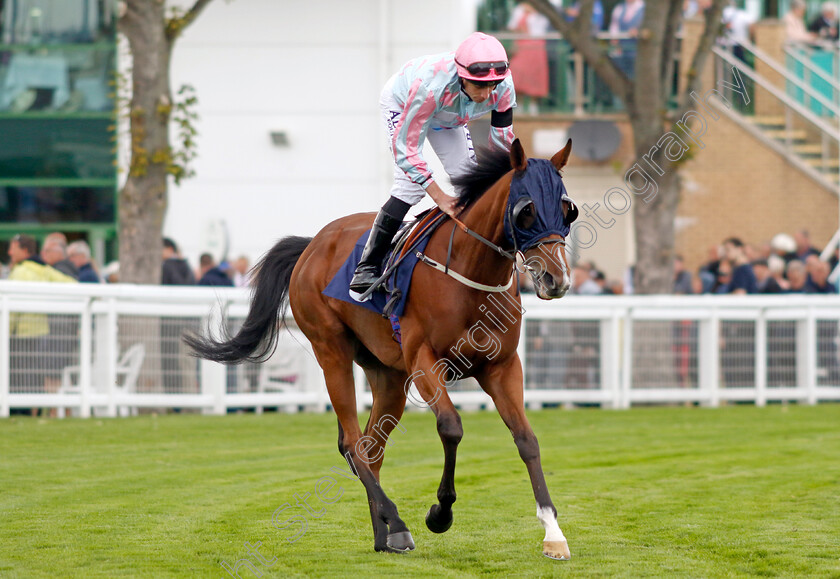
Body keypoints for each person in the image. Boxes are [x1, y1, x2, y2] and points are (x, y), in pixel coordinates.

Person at [349, 32, 517, 299]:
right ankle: (367, 266)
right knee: (409, 186)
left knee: (469, 179)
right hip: (405, 103)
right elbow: (406, 149)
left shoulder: (504, 85)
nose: (487, 94)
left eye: (492, 85)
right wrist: (440, 197)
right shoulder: (429, 87)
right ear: (462, 76)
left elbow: (502, 144)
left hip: (449, 115)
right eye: (479, 85)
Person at [6, 234, 76, 414]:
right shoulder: (44, 270)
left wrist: (5, 331)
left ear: (25, 250)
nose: (9, 252)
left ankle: (19, 410)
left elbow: (11, 308)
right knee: (34, 375)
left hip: (19, 333)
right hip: (41, 331)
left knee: (17, 375)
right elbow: (73, 285)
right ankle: (33, 410)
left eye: (13, 248)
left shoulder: (20, 271)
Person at [508, 2, 550, 115]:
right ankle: (519, 104)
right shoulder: (519, 9)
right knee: (518, 74)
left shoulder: (542, 11)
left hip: (536, 46)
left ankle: (533, 105)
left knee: (535, 75)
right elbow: (512, 26)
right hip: (522, 46)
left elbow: (542, 27)